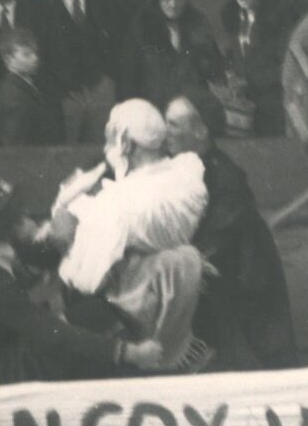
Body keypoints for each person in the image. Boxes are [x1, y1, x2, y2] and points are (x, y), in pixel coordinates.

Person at [0, 178, 159, 386]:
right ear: (1, 223)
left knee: (96, 312)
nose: (24, 216)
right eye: (15, 215)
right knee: (92, 354)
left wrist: (53, 238)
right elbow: (47, 331)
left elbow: (42, 255)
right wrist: (125, 352)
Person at [44, 99, 209, 372]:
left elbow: (84, 279)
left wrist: (69, 207)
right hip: (177, 276)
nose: (107, 147)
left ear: (127, 145)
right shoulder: (188, 173)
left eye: (111, 139)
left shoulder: (116, 207)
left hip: (138, 301)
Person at [165, 94, 298, 369]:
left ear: (201, 131)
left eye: (174, 125)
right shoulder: (177, 164)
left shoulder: (225, 179)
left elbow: (213, 246)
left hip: (238, 277)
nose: (166, 131)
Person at [37, 0, 117, 144]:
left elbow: (116, 43)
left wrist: (106, 81)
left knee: (101, 147)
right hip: (65, 97)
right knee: (68, 150)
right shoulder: (42, 6)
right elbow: (40, 56)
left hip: (99, 90)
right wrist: (58, 91)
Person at [131, 0, 224, 108]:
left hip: (192, 102)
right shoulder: (144, 27)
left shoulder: (198, 23)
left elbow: (214, 67)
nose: (173, 5)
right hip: (155, 103)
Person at [217, 0, 283, 135]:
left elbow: (283, 65)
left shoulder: (274, 21)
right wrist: (230, 75)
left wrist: (250, 81)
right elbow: (230, 54)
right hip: (242, 104)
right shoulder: (231, 17)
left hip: (271, 101)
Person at [0, 26, 67, 147]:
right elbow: (16, 142)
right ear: (8, 59)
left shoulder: (23, 84)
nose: (35, 58)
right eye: (26, 54)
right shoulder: (12, 94)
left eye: (35, 53)